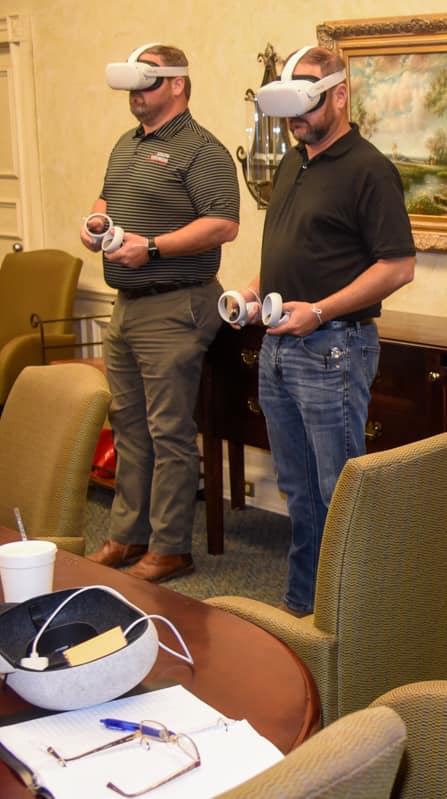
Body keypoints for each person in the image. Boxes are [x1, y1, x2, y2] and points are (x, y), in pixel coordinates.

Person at [233, 46, 415, 616]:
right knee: (298, 490)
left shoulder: (369, 169)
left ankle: (355, 623)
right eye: (288, 106)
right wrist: (252, 291)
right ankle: (304, 611)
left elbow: (398, 267)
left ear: (340, 95)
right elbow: (291, 248)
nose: (296, 117)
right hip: (278, 346)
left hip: (332, 347)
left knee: (340, 495)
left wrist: (320, 311)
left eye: (306, 103)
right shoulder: (294, 162)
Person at [84, 43, 239, 583]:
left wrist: (151, 248)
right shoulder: (126, 144)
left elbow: (223, 225)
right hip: (126, 306)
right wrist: (96, 225)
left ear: (177, 85)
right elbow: (106, 201)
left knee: (168, 431)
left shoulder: (202, 150)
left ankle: (171, 547)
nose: (136, 94)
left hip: (177, 303)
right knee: (128, 426)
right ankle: (128, 534)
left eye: (146, 83)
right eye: (131, 84)